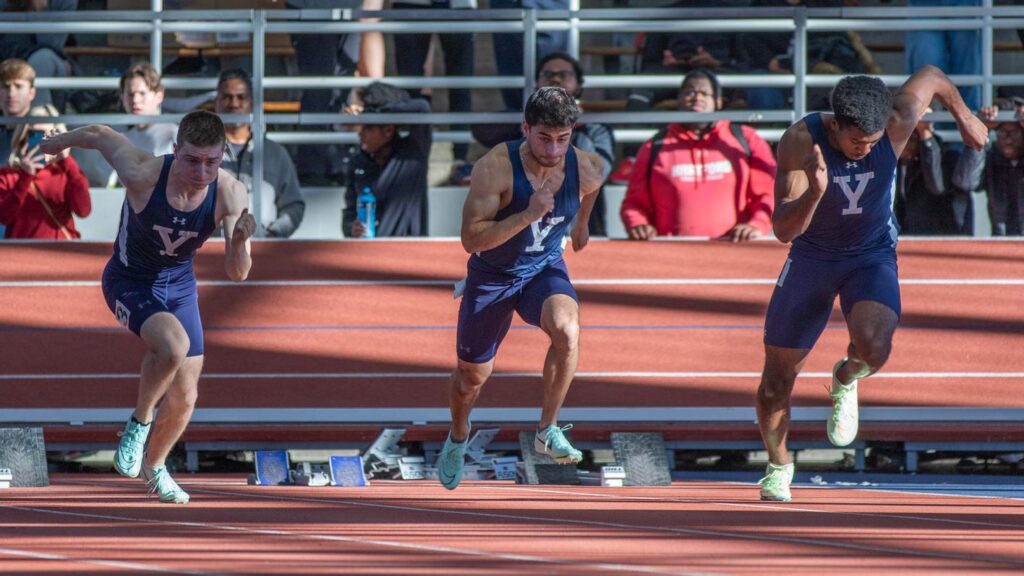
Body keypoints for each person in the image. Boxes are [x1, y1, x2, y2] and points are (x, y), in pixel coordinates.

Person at [756, 66, 987, 502]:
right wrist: (813, 192)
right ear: (835, 124)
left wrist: (965, 116)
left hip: (871, 254)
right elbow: (783, 230)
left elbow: (934, 77)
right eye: (856, 141)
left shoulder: (898, 118)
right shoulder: (802, 140)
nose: (865, 149)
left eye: (873, 141)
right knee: (775, 381)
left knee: (875, 348)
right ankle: (778, 465)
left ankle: (845, 377)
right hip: (812, 258)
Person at [40, 110, 257, 504]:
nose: (201, 171)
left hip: (179, 287)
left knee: (187, 397)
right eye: (191, 160)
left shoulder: (231, 192)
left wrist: (239, 242)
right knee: (173, 345)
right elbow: (100, 133)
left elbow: (237, 273)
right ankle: (138, 424)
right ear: (175, 151)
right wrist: (60, 141)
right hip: (128, 280)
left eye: (212, 161)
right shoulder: (143, 171)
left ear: (223, 154)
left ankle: (155, 468)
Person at [437, 86, 605, 490]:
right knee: (471, 377)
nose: (552, 149)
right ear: (525, 128)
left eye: (563, 139)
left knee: (567, 329)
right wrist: (528, 214)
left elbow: (594, 185)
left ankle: (547, 428)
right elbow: (471, 240)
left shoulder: (585, 167)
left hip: (542, 268)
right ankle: (458, 436)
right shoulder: (494, 167)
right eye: (544, 138)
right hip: (492, 274)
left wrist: (581, 223)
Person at [620, 69, 776, 242]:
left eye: (704, 93)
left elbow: (768, 195)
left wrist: (757, 225)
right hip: (671, 256)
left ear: (718, 102)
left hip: (736, 251)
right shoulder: (654, 146)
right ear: (678, 100)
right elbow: (634, 202)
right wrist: (638, 224)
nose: (697, 98)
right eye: (690, 92)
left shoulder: (747, 140)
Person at [471, 52, 615, 235]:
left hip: (578, 237)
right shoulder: (529, 126)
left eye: (564, 75)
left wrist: (574, 126)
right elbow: (480, 130)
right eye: (548, 75)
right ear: (537, 84)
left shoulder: (596, 130)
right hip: (524, 240)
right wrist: (533, 121)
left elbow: (600, 174)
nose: (555, 79)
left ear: (578, 86)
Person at [215, 69, 305, 238]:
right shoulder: (202, 152)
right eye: (227, 97)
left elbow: (294, 205)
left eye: (241, 97)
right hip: (214, 247)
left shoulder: (275, 153)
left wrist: (272, 234)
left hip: (262, 250)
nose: (234, 103)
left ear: (252, 103)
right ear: (216, 101)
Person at [342, 81, 431, 237]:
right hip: (367, 256)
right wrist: (351, 228)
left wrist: (375, 110)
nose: (360, 133)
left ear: (388, 130)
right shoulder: (356, 163)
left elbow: (422, 108)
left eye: (368, 128)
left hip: (408, 253)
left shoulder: (412, 154)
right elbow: (349, 215)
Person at [75, 62, 178, 187]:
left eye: (142, 93)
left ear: (159, 96)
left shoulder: (175, 134)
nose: (135, 100)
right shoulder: (120, 139)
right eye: (130, 94)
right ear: (122, 97)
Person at [0, 104, 89, 238]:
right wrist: (25, 176)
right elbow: (4, 217)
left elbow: (84, 211)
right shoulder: (8, 175)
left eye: (48, 135)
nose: (41, 141)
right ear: (23, 138)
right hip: (21, 255)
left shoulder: (67, 172)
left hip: (62, 253)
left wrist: (66, 160)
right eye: (33, 134)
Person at [954, 103, 1024, 236]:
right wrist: (982, 133)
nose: (1007, 139)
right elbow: (965, 182)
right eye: (1002, 132)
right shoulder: (993, 156)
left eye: (1014, 133)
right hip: (1000, 241)